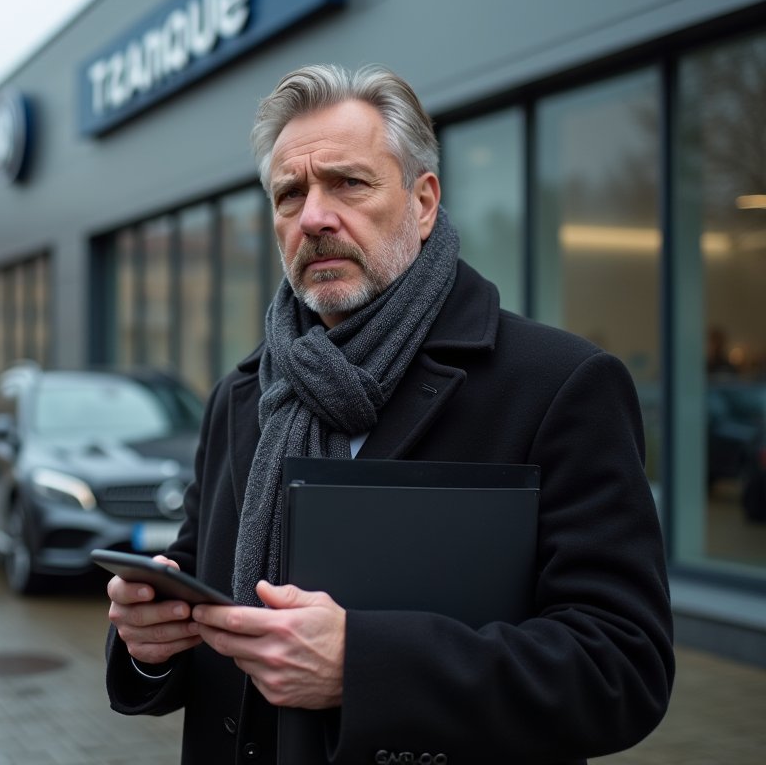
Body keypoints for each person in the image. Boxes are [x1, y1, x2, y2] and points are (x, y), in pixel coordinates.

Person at [104, 64, 674, 765]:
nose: (313, 216)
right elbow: (202, 596)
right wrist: (149, 641)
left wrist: (363, 666)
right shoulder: (243, 394)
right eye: (290, 194)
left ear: (424, 201)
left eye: (347, 182)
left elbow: (622, 667)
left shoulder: (557, 385)